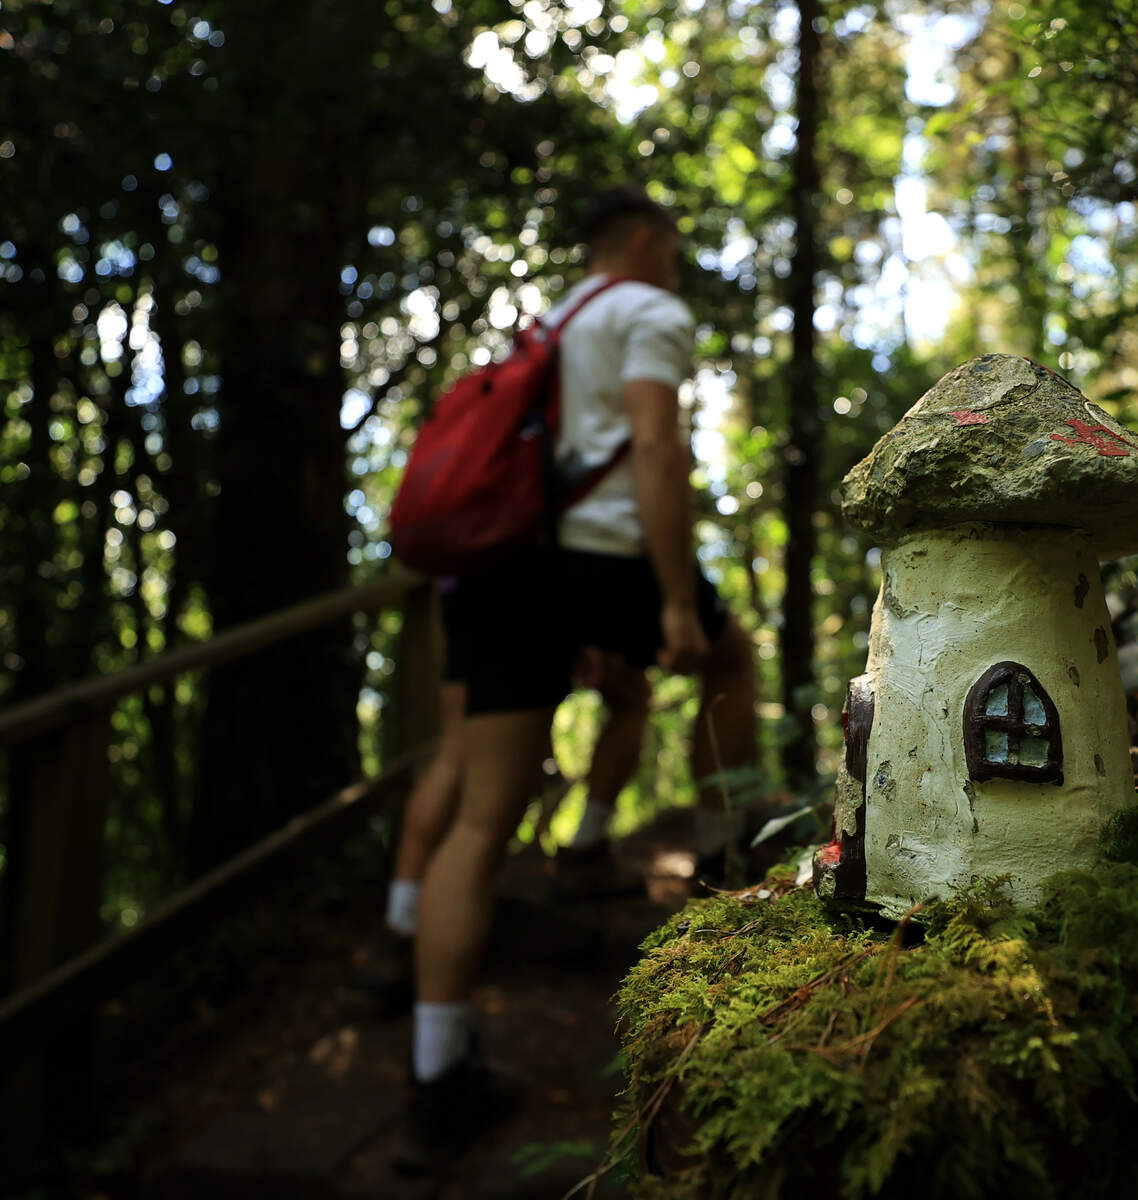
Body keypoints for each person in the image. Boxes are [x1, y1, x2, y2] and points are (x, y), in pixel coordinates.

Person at [395, 186, 761, 1173]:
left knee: (481, 816)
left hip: (494, 567)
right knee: (733, 658)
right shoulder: (649, 310)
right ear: (645, 241)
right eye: (675, 250)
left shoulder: (550, 319)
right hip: (592, 562)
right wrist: (675, 599)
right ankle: (728, 850)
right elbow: (654, 443)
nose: (678, 268)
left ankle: (437, 1077)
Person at [361, 580, 650, 1009]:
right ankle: (438, 1056)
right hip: (525, 588)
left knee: (455, 754)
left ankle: (401, 926)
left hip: (463, 586)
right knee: (480, 824)